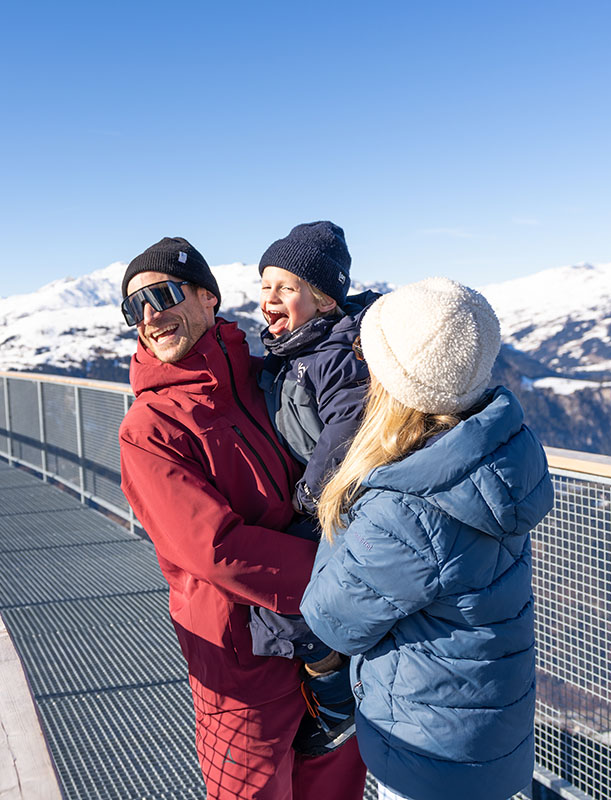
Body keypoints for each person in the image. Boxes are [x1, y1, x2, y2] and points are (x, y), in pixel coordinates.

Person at [118, 236, 366, 799]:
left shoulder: (268, 377)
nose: (151, 316)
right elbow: (215, 548)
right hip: (242, 662)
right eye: (136, 307)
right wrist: (346, 574)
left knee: (336, 787)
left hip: (327, 636)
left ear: (209, 298)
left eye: (162, 294)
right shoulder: (150, 428)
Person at [300, 277, 554, 800]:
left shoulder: (407, 507)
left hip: (428, 752)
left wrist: (341, 505)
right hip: (490, 731)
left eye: (365, 355)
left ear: (397, 381)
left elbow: (331, 616)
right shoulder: (496, 456)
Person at [247, 221, 380, 756]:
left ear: (324, 300)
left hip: (334, 502)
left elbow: (347, 427)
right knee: (292, 605)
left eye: (286, 287)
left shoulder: (335, 355)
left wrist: (309, 492)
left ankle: (336, 705)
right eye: (264, 287)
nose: (269, 299)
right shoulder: (294, 352)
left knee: (297, 608)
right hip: (317, 497)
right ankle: (328, 686)